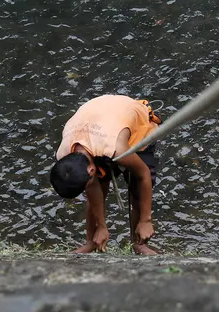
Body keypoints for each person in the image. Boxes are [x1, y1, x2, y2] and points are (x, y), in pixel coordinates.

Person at [49, 94, 162, 255]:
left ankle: (139, 244)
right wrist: (101, 226)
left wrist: (146, 220)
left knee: (137, 189)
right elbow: (93, 187)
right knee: (99, 184)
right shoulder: (64, 154)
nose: (88, 190)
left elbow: (142, 174)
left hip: (135, 127)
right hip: (100, 119)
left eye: (87, 184)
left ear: (91, 170)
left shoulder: (116, 148)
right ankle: (92, 241)